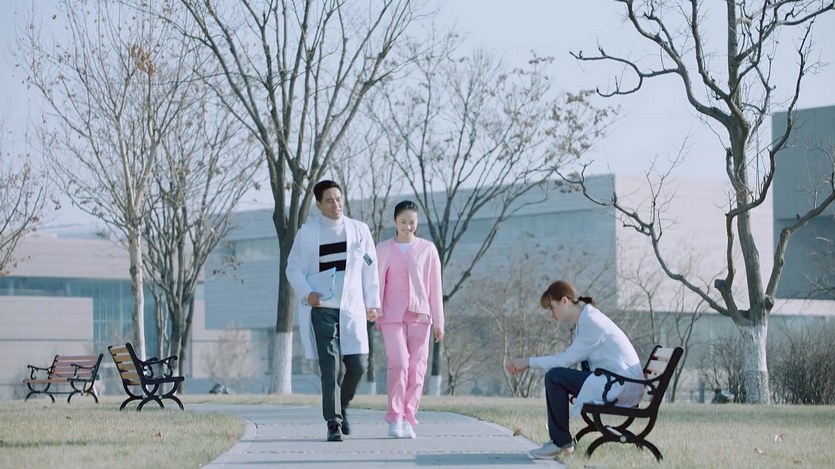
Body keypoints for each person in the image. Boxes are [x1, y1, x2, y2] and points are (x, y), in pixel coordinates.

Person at [506, 280, 643, 462]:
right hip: (616, 382)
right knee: (557, 376)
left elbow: (565, 360)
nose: (551, 315)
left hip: (619, 386)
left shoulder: (592, 321)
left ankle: (560, 442)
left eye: (552, 308)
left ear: (564, 301)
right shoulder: (587, 319)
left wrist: (527, 362)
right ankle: (561, 441)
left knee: (555, 377)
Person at [286, 180, 381, 442]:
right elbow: (293, 268)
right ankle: (333, 422)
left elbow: (370, 268)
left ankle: (343, 405)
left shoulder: (359, 230)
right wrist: (308, 293)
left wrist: (373, 302)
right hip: (323, 309)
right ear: (319, 204)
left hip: (352, 308)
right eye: (329, 200)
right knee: (331, 368)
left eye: (338, 199)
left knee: (359, 365)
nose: (336, 204)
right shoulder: (307, 233)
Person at [375, 200, 444, 439]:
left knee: (417, 368)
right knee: (399, 363)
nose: (407, 227)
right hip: (391, 315)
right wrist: (373, 308)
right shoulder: (383, 248)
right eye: (403, 222)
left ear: (417, 222)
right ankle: (395, 417)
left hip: (421, 316)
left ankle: (408, 417)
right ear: (395, 222)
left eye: (412, 222)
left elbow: (435, 287)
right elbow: (376, 281)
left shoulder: (428, 249)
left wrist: (439, 321)